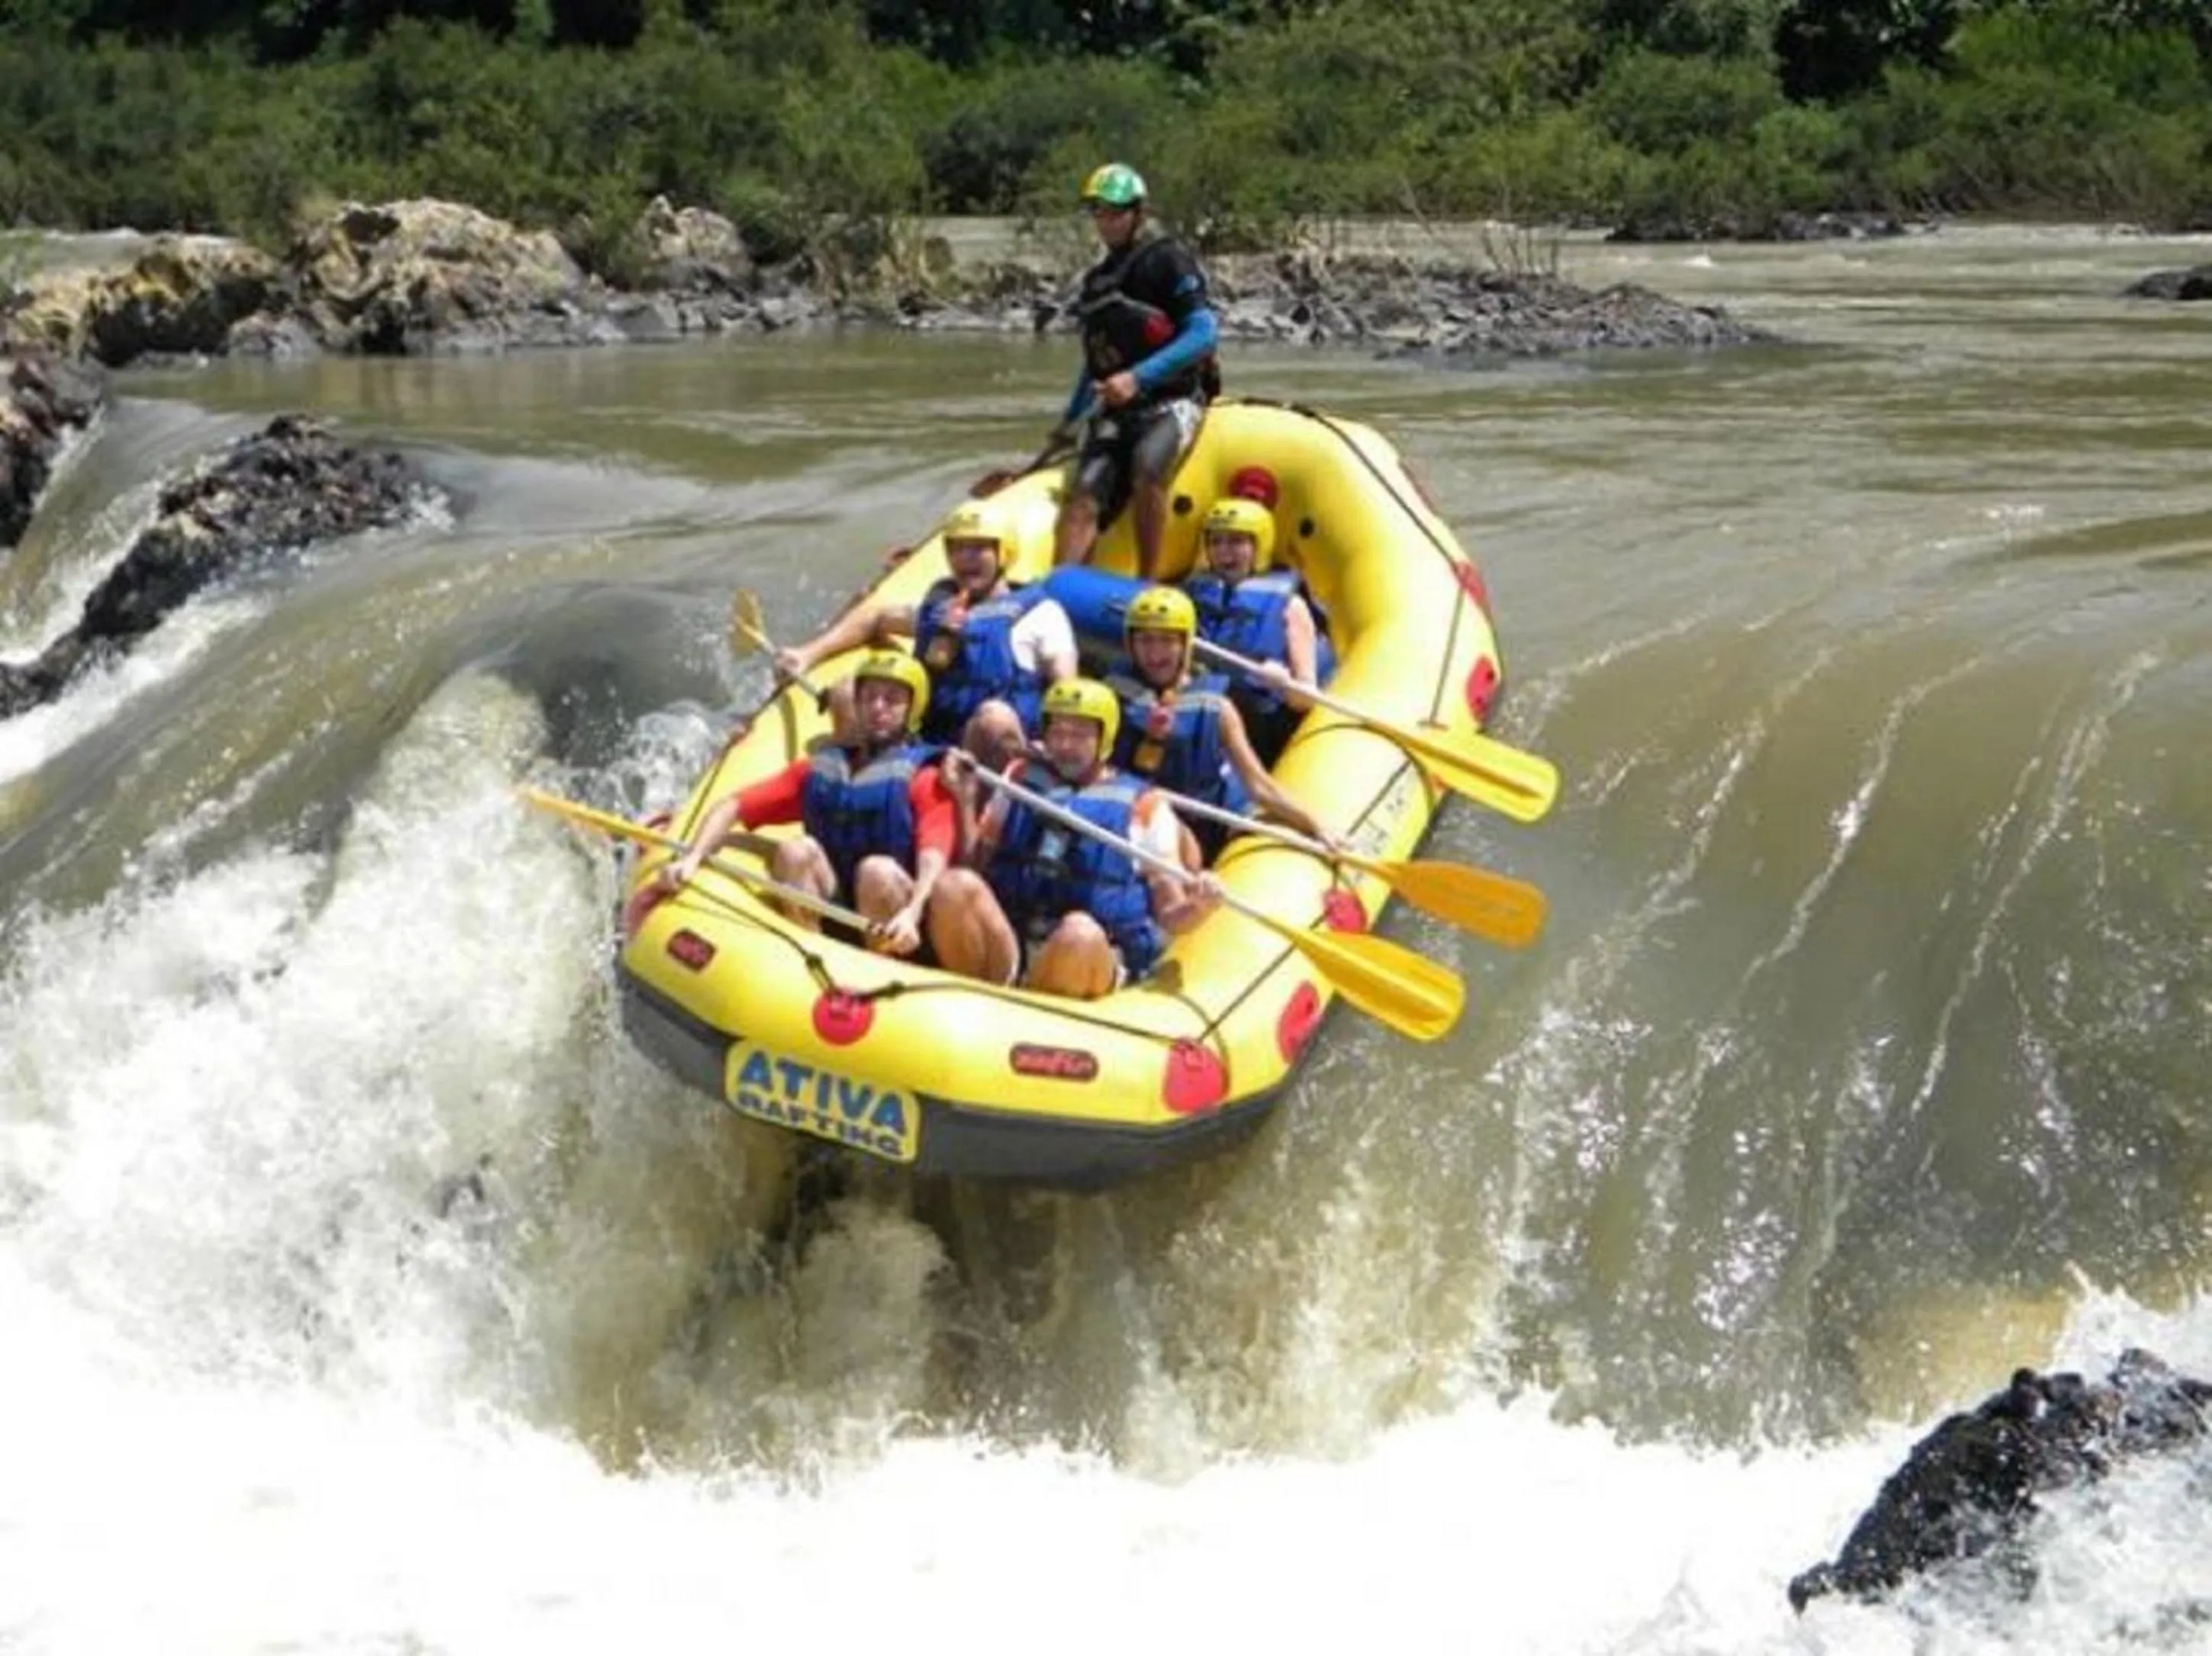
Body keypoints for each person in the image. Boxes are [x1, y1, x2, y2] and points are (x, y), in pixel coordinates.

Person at [928, 677, 1220, 998]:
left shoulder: (1145, 805)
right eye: (1058, 733)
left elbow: (1170, 914)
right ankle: (992, 994)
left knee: (1079, 934)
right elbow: (975, 865)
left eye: (1079, 735)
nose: (1065, 745)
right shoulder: (1020, 778)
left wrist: (1199, 906)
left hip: (1092, 951)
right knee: (953, 885)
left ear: (1104, 739)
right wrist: (965, 799)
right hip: (1017, 941)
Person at [661, 650, 955, 957]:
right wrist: (691, 858)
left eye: (892, 699)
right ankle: (809, 955)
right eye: (869, 698)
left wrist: (912, 913)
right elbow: (732, 806)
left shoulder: (925, 778)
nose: (878, 707)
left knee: (876, 871)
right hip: (836, 902)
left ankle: (880, 965)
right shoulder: (819, 770)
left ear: (911, 710)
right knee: (795, 850)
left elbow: (934, 858)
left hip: (899, 919)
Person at [773, 500, 1076, 767]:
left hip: (989, 753)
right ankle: (857, 785)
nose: (966, 558)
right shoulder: (940, 608)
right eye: (957, 548)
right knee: (846, 690)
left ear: (1004, 552)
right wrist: (808, 654)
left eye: (978, 548)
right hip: (928, 737)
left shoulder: (1041, 615)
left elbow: (1066, 689)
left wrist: (1055, 747)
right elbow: (875, 617)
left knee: (994, 717)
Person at [1051, 162, 1219, 583]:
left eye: (1116, 212)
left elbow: (1203, 333)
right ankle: (1060, 589)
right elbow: (1096, 362)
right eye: (1099, 212)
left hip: (1174, 399)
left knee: (1147, 466)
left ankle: (1147, 581)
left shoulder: (1168, 260)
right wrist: (1069, 423)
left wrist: (1136, 378)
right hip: (1117, 410)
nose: (1107, 222)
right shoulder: (1097, 281)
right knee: (1084, 494)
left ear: (1138, 213)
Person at [1109, 584, 1339, 863]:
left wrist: (1315, 824)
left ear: (1186, 644)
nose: (1155, 654)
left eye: (1166, 640)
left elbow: (1260, 786)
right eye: (1145, 641)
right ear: (1130, 645)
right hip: (1139, 827)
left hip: (1204, 826)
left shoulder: (1218, 708)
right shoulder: (1113, 698)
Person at [1182, 495, 1335, 764]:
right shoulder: (1192, 596)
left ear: (1258, 546)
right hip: (1201, 709)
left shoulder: (1291, 606)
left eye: (1236, 541)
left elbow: (1305, 698)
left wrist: (1283, 682)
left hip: (1259, 723)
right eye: (1215, 542)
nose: (1223, 552)